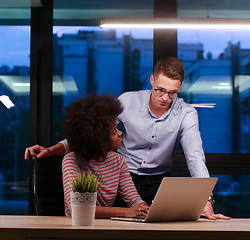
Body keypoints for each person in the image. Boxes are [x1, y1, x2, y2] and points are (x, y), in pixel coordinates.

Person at [26, 56, 229, 220]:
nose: (165, 97)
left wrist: (206, 198)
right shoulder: (128, 101)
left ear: (180, 87)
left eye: (172, 92)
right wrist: (52, 150)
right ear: (152, 80)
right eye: (160, 89)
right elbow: (94, 130)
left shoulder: (186, 113)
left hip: (157, 184)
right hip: (121, 180)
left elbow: (195, 156)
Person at [61, 93, 149, 218]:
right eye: (114, 132)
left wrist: (143, 208)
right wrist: (125, 212)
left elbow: (133, 198)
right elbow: (78, 209)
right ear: (97, 138)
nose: (120, 133)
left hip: (104, 228)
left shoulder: (117, 161)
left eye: (117, 128)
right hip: (77, 230)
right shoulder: (72, 161)